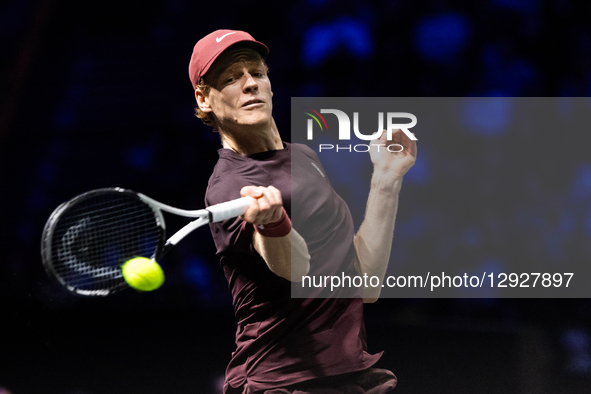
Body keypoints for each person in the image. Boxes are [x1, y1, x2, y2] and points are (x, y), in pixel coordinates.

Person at [188, 29, 417, 394]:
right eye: (231, 79)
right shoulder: (229, 188)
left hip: (342, 375)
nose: (249, 85)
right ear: (204, 99)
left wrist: (386, 181)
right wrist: (273, 223)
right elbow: (294, 269)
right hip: (284, 383)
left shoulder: (303, 157)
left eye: (257, 74)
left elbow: (365, 283)